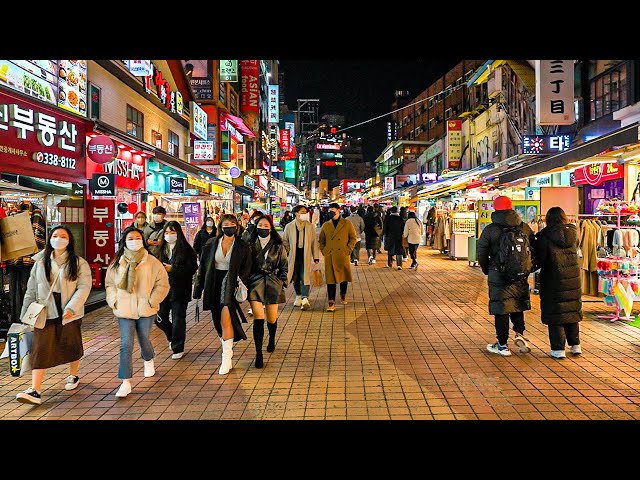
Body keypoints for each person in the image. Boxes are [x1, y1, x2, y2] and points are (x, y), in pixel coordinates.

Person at [15, 226, 92, 405]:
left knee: (71, 343)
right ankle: (35, 390)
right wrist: (26, 313)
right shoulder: (40, 262)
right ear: (49, 239)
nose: (59, 239)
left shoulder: (78, 262)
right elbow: (31, 289)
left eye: (63, 236)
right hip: (45, 310)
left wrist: (72, 307)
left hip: (69, 310)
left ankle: (73, 375)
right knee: (40, 348)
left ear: (69, 240)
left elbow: (84, 287)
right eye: (55, 236)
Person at [105, 226, 170, 398]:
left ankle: (148, 358)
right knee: (126, 344)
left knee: (144, 339)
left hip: (145, 309)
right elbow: (110, 284)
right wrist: (114, 300)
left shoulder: (152, 262)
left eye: (137, 238)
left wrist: (152, 300)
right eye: (130, 239)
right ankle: (125, 382)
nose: (134, 241)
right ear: (124, 242)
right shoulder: (117, 263)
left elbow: (162, 283)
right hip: (124, 309)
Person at [193, 214, 252, 375]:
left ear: (237, 226)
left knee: (226, 316)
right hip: (213, 282)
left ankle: (227, 357)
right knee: (217, 319)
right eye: (226, 224)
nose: (229, 226)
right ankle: (227, 342)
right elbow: (203, 268)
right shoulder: (212, 243)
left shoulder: (242, 245)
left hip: (230, 283)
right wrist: (197, 290)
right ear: (221, 226)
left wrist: (240, 282)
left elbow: (247, 267)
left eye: (232, 223)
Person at [477, 195, 535, 357]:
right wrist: (528, 267)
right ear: (511, 208)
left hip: (498, 273)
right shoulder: (523, 227)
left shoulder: (491, 229)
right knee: (517, 303)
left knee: (501, 308)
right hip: (520, 273)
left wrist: (487, 268)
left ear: (495, 209)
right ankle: (519, 333)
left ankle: (502, 345)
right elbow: (533, 247)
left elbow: (481, 251)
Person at [534, 207, 582, 359]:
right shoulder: (573, 233)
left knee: (556, 314)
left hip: (552, 279)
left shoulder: (544, 236)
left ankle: (558, 349)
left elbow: (540, 259)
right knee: (571, 311)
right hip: (573, 278)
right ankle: (575, 346)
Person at [246, 215, 288, 368]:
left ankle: (271, 338)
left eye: (266, 225)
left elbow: (284, 264)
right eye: (260, 225)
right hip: (255, 282)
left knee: (271, 318)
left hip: (272, 282)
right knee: (258, 318)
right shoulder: (249, 243)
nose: (263, 228)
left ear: (271, 227)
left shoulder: (278, 244)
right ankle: (258, 353)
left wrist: (282, 282)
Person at [156, 221, 198, 360]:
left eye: (172, 232)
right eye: (167, 233)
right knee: (159, 318)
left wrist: (173, 269)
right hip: (162, 290)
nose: (169, 235)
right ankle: (172, 337)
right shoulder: (160, 249)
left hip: (180, 289)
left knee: (178, 319)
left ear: (178, 233)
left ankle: (178, 347)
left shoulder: (186, 250)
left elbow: (192, 269)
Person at [319, 203, 358, 312]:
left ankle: (343, 294)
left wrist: (348, 250)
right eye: (329, 211)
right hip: (330, 255)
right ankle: (331, 301)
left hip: (342, 254)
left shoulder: (347, 223)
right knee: (330, 279)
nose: (331, 213)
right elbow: (321, 240)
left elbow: (353, 238)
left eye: (333, 211)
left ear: (339, 210)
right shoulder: (326, 225)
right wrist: (324, 251)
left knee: (343, 277)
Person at [282, 205, 320, 311]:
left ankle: (305, 298)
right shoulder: (289, 226)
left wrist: (316, 257)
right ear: (296, 213)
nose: (305, 214)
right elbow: (284, 241)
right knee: (295, 277)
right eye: (302, 212)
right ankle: (298, 295)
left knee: (305, 277)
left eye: (305, 212)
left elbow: (313, 243)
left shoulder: (310, 226)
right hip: (293, 256)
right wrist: (288, 251)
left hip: (305, 255)